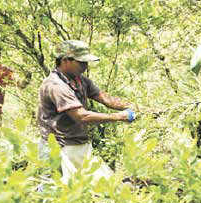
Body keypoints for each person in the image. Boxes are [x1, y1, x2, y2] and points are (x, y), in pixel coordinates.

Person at [37, 40, 136, 185]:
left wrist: (137, 108)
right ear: (65, 60)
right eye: (81, 62)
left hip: (77, 145)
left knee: (98, 189)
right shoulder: (55, 85)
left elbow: (106, 99)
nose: (85, 66)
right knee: (54, 193)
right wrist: (119, 117)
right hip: (57, 147)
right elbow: (81, 116)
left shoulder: (80, 81)